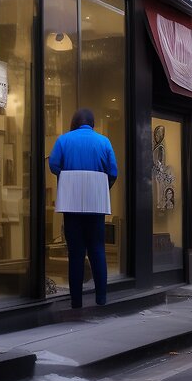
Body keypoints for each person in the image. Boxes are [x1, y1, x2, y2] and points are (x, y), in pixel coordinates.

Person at [48, 108, 118, 308]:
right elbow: (113, 171)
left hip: (72, 205)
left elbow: (53, 165)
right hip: (95, 204)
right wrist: (102, 185)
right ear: (92, 124)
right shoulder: (104, 142)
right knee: (97, 250)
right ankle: (101, 298)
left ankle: (76, 301)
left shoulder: (63, 140)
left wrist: (68, 178)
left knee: (76, 253)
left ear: (74, 122)